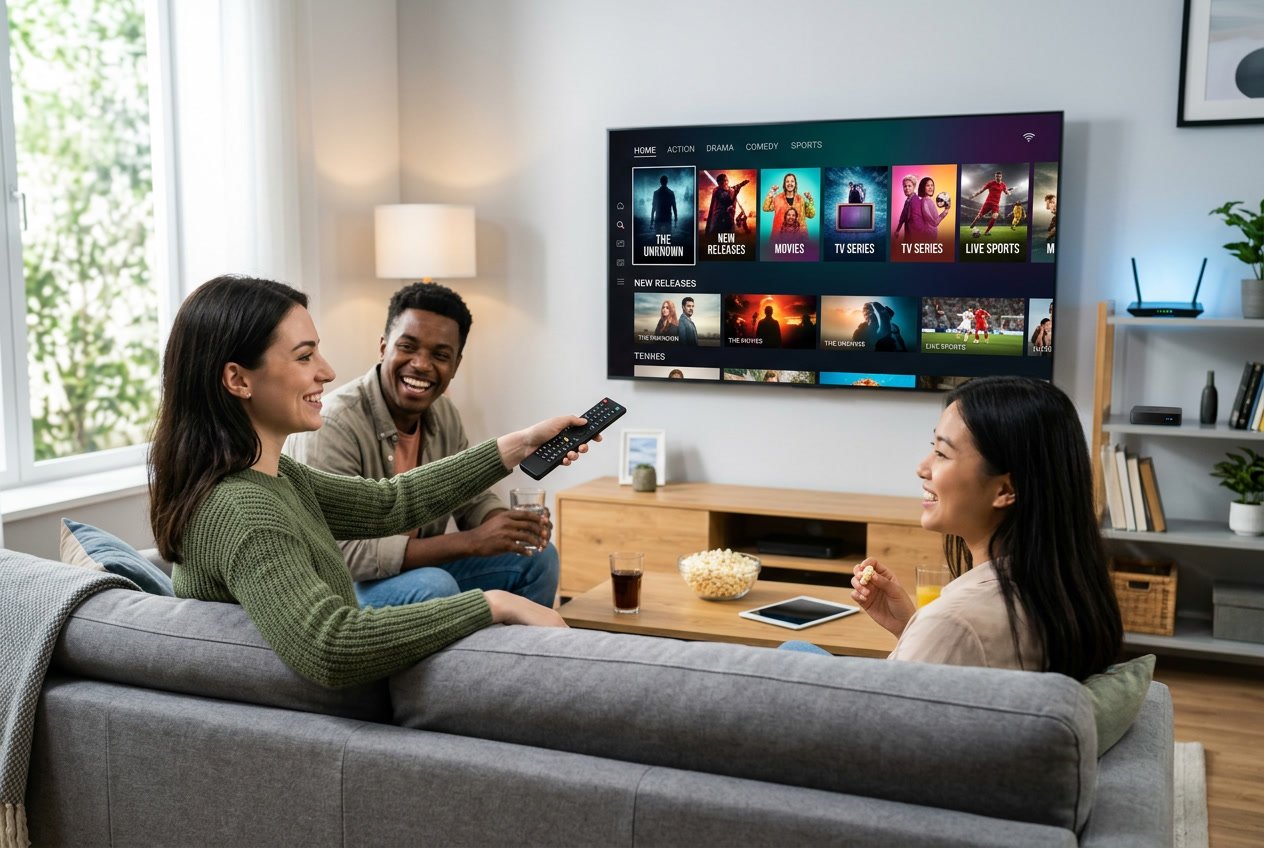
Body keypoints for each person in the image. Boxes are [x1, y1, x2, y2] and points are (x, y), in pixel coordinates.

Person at [150, 275, 597, 688]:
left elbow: (392, 502)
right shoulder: (243, 510)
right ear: (238, 379)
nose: (326, 371)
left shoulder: (277, 478)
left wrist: (519, 444)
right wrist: (495, 603)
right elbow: (331, 644)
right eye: (305, 356)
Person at [285, 281, 561, 611]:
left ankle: (511, 660)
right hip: (340, 586)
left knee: (537, 558)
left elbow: (471, 497)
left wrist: (508, 527)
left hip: (418, 571)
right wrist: (472, 542)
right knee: (434, 584)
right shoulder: (332, 422)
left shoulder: (443, 413)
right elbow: (341, 554)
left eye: (440, 355)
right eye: (408, 347)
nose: (422, 364)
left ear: (456, 365)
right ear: (383, 347)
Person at [845, 377, 1123, 680]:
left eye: (941, 453)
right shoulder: (1062, 593)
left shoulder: (955, 624)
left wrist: (933, 632)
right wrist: (912, 627)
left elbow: (881, 720)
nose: (922, 468)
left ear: (1004, 489)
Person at [968, 170, 1011, 238]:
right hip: (988, 203)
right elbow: (981, 190)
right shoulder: (990, 183)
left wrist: (1008, 193)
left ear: (1001, 177)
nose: (998, 178)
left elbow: (1006, 192)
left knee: (995, 216)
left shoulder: (1003, 185)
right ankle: (974, 223)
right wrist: (974, 195)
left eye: (999, 176)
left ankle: (987, 232)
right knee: (979, 216)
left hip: (996, 204)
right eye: (996, 176)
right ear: (995, 176)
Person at [907, 176, 950, 243]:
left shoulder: (927, 200)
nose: (930, 188)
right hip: (928, 236)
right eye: (927, 185)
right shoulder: (925, 202)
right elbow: (935, 223)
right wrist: (946, 210)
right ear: (923, 187)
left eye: (932, 185)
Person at [893, 175, 917, 241]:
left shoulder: (916, 200)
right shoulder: (907, 201)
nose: (907, 188)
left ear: (914, 187)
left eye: (909, 186)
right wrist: (897, 230)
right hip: (908, 235)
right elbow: (903, 217)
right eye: (905, 186)